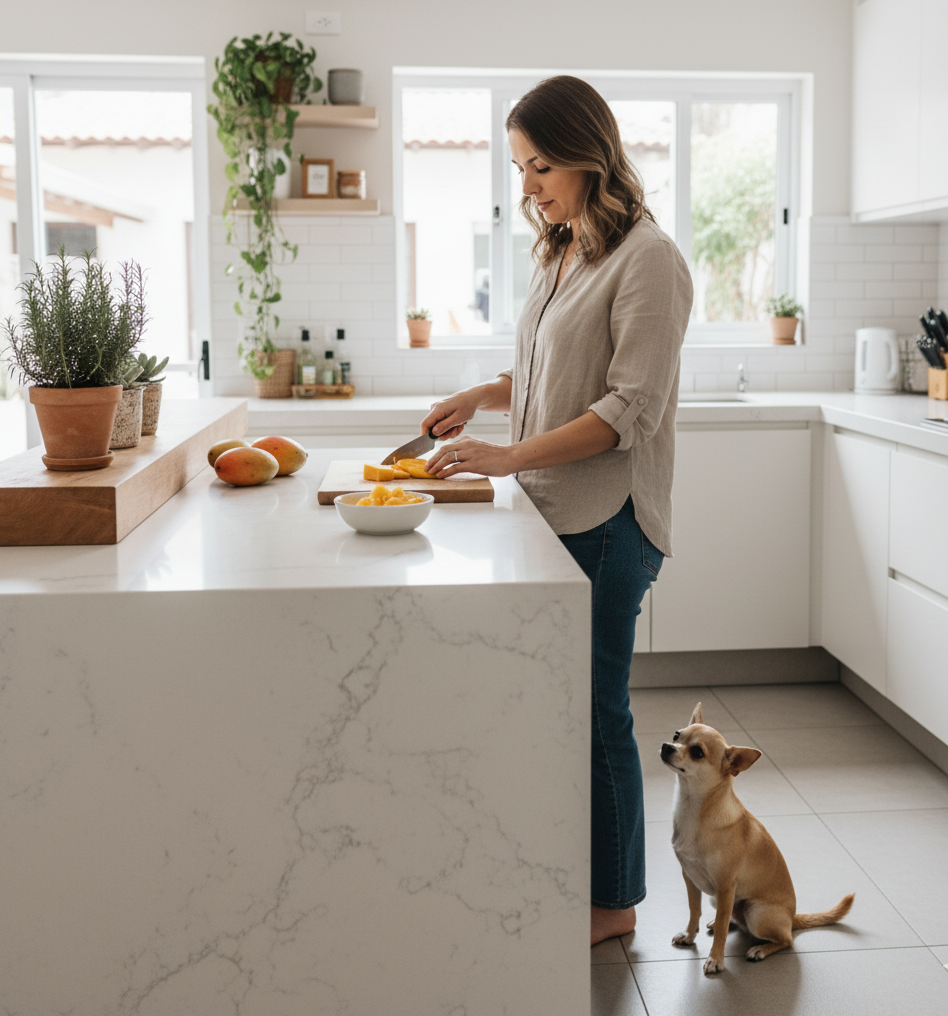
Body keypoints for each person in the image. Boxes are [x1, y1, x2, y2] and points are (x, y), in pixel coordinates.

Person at [420, 75, 693, 947]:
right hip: (551, 513)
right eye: (519, 167)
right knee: (560, 705)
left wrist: (503, 458)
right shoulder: (563, 248)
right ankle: (579, 874)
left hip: (609, 523)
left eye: (540, 165)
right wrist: (481, 394)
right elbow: (544, 373)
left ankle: (614, 905)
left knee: (598, 707)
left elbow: (625, 412)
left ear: (590, 153)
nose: (527, 185)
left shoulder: (650, 259)